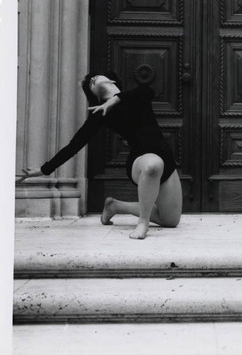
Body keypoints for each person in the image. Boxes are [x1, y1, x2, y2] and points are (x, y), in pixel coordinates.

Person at [16, 71, 182, 240]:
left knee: (170, 220)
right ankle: (143, 223)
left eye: (94, 77)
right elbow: (74, 145)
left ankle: (115, 206)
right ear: (94, 94)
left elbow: (148, 91)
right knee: (153, 165)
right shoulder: (101, 113)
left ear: (111, 80)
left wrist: (115, 100)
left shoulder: (137, 95)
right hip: (141, 160)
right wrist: (45, 169)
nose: (92, 80)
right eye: (89, 83)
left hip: (166, 159)